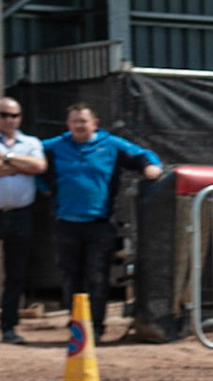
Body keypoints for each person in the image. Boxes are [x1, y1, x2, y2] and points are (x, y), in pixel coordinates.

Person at [41, 103, 162, 342]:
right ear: (68, 124)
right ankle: (77, 325)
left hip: (99, 224)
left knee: (97, 276)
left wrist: (151, 167)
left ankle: (96, 328)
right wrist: (42, 186)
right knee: (71, 277)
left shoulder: (111, 145)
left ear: (94, 123)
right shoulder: (56, 146)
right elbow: (33, 158)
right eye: (74, 121)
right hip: (66, 224)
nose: (79, 126)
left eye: (83, 121)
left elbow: (143, 155)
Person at [0, 97, 47, 344]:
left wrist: (6, 159)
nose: (9, 120)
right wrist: (20, 165)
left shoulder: (31, 142)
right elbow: (30, 166)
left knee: (16, 273)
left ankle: (8, 327)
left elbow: (39, 166)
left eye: (14, 115)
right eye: (4, 115)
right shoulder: (26, 148)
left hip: (21, 214)